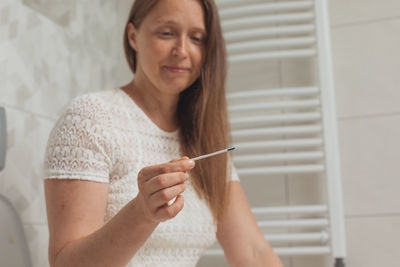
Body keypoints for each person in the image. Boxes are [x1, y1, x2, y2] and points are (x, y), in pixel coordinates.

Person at [43, 0, 283, 266]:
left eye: (196, 38)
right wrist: (142, 213)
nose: (181, 50)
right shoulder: (90, 118)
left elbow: (253, 252)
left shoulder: (205, 137)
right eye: (166, 33)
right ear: (133, 36)